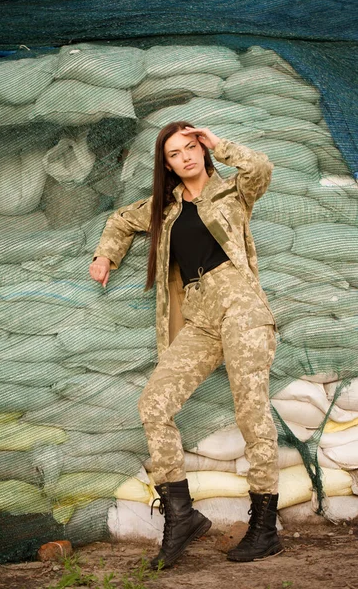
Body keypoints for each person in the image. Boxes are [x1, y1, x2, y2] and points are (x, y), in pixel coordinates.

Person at [89, 121, 283, 568]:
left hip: (241, 306)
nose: (186, 157)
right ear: (167, 164)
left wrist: (220, 143)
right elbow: (120, 220)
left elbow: (262, 167)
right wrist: (106, 254)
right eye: (175, 153)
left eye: (192, 147)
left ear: (203, 148)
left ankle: (265, 529)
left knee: (252, 411)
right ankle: (182, 516)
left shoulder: (234, 191)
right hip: (198, 315)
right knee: (153, 404)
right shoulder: (165, 208)